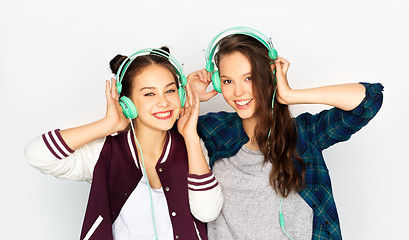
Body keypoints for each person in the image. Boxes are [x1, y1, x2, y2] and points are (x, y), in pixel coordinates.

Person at [187, 28, 383, 240]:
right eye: (227, 81)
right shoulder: (213, 129)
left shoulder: (304, 133)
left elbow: (369, 100)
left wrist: (289, 95)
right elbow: (157, 128)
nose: (238, 92)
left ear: (270, 76)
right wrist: (188, 97)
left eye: (249, 78)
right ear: (217, 82)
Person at [24, 47, 223, 240]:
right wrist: (108, 125)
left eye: (170, 91)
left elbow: (207, 212)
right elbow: (36, 154)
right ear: (127, 103)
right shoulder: (105, 152)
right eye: (149, 94)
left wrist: (189, 135)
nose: (163, 102)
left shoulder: (191, 146)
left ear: (180, 95)